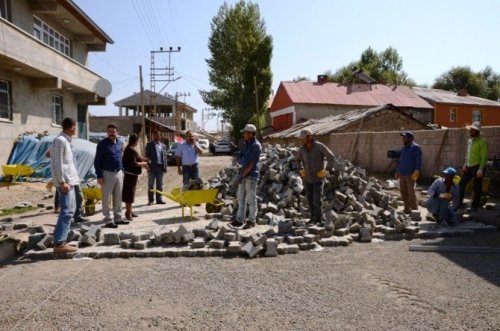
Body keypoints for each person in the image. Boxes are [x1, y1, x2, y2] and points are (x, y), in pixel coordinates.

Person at [50, 117, 79, 253]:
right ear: (71, 127)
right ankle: (59, 243)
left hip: (70, 181)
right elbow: (56, 163)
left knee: (70, 211)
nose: (75, 129)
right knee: (66, 211)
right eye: (75, 126)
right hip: (65, 182)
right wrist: (62, 182)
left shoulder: (66, 141)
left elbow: (62, 160)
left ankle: (61, 240)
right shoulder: (60, 140)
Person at [296, 129, 334, 225]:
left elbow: (331, 157)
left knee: (317, 199)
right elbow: (297, 160)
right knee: (309, 199)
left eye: (303, 138)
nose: (302, 141)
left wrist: (326, 170)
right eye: (301, 139)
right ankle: (312, 219)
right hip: (307, 178)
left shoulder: (319, 146)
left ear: (309, 137)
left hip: (318, 178)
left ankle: (319, 219)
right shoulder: (302, 149)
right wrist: (301, 170)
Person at [94, 123, 127, 228]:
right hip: (107, 173)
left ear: (117, 132)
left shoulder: (120, 143)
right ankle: (108, 219)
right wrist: (99, 175)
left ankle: (118, 217)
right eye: (109, 131)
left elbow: (121, 158)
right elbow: (97, 161)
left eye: (113, 131)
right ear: (107, 132)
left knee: (118, 197)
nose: (111, 133)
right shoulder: (102, 144)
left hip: (119, 173)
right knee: (106, 197)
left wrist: (122, 170)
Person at [231, 124, 262, 229]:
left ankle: (252, 220)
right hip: (243, 174)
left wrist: (240, 176)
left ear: (250, 134)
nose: (243, 135)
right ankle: (239, 220)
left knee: (251, 199)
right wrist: (242, 162)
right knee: (241, 198)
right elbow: (239, 156)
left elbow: (251, 165)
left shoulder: (256, 146)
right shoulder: (246, 144)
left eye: (245, 133)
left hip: (251, 175)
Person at [458, 122, 489, 212]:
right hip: (468, 166)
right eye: (470, 129)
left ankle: (474, 206)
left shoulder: (483, 142)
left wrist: (481, 168)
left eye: (472, 130)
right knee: (461, 184)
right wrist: (465, 164)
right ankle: (459, 203)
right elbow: (467, 153)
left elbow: (484, 156)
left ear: (477, 131)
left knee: (477, 186)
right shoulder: (470, 141)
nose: (470, 131)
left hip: (477, 167)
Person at [122, 133, 149, 221]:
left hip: (132, 175)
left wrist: (144, 159)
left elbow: (138, 158)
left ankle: (130, 211)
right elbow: (134, 163)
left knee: (131, 194)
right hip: (130, 175)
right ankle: (128, 213)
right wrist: (143, 163)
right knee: (129, 195)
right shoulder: (130, 150)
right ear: (136, 141)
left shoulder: (131, 149)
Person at [395, 131, 422, 214]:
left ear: (410, 138)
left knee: (411, 192)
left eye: (405, 137)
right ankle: (407, 209)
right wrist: (398, 171)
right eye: (403, 137)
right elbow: (401, 161)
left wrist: (416, 172)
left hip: (410, 174)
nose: (403, 139)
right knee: (403, 192)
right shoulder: (403, 148)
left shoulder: (416, 148)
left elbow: (419, 161)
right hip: (402, 173)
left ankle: (414, 210)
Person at [145, 131, 168, 205]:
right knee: (151, 184)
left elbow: (165, 157)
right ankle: (151, 200)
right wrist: (147, 167)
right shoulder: (149, 145)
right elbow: (147, 157)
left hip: (160, 168)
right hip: (152, 168)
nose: (156, 137)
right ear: (153, 136)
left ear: (160, 136)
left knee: (160, 185)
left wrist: (165, 167)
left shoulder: (163, 146)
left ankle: (159, 199)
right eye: (155, 136)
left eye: (158, 136)